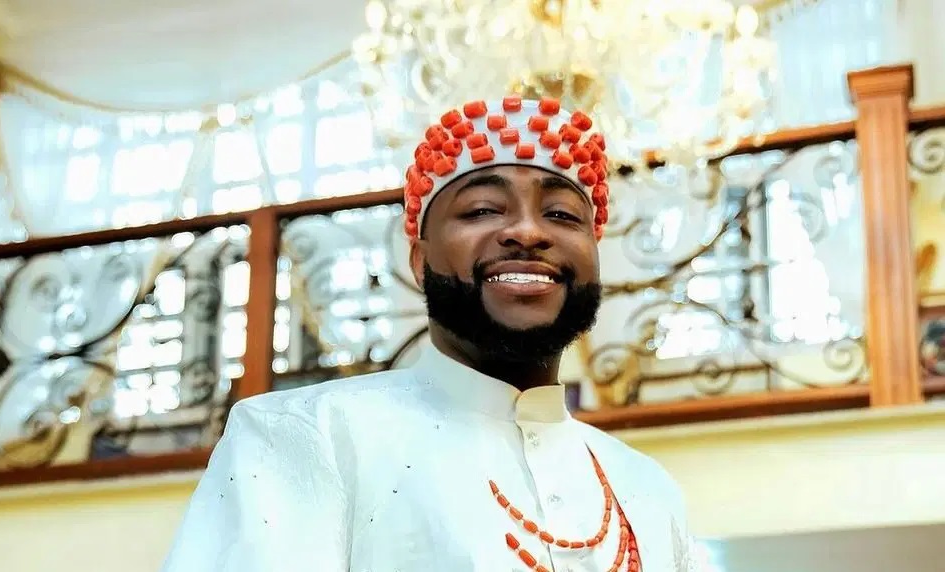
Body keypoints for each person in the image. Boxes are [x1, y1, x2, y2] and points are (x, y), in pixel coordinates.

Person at [161, 96, 698, 571]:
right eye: (483, 209)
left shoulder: (646, 488)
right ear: (420, 262)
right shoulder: (306, 433)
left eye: (561, 214)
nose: (527, 232)